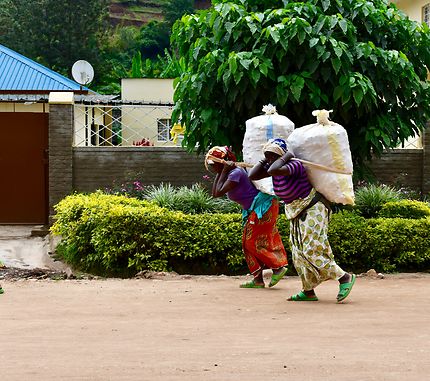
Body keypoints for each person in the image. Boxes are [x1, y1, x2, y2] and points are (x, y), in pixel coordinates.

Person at [248, 138, 356, 302]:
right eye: (268, 156)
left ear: (283, 156)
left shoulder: (294, 165)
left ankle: (344, 277)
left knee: (312, 248)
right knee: (298, 252)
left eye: (273, 155)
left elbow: (276, 170)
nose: (270, 159)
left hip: (313, 208)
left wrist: (286, 156)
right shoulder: (272, 167)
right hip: (295, 210)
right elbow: (252, 174)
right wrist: (266, 158)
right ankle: (308, 290)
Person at [205, 146, 288, 288]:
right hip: (254, 209)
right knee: (247, 244)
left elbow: (217, 192)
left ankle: (277, 267)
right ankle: (258, 279)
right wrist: (222, 170)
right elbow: (215, 193)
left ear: (223, 162)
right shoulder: (229, 172)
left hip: (263, 207)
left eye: (215, 165)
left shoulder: (235, 173)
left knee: (250, 242)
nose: (214, 168)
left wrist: (224, 170)